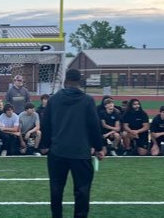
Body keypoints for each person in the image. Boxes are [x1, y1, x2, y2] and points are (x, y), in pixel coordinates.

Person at [41, 69, 104, 218]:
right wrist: (99, 148)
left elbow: (46, 124)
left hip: (58, 151)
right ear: (79, 82)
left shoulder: (54, 99)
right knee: (82, 190)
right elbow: (94, 126)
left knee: (56, 189)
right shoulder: (87, 100)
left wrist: (44, 145)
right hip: (81, 152)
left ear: (65, 81)